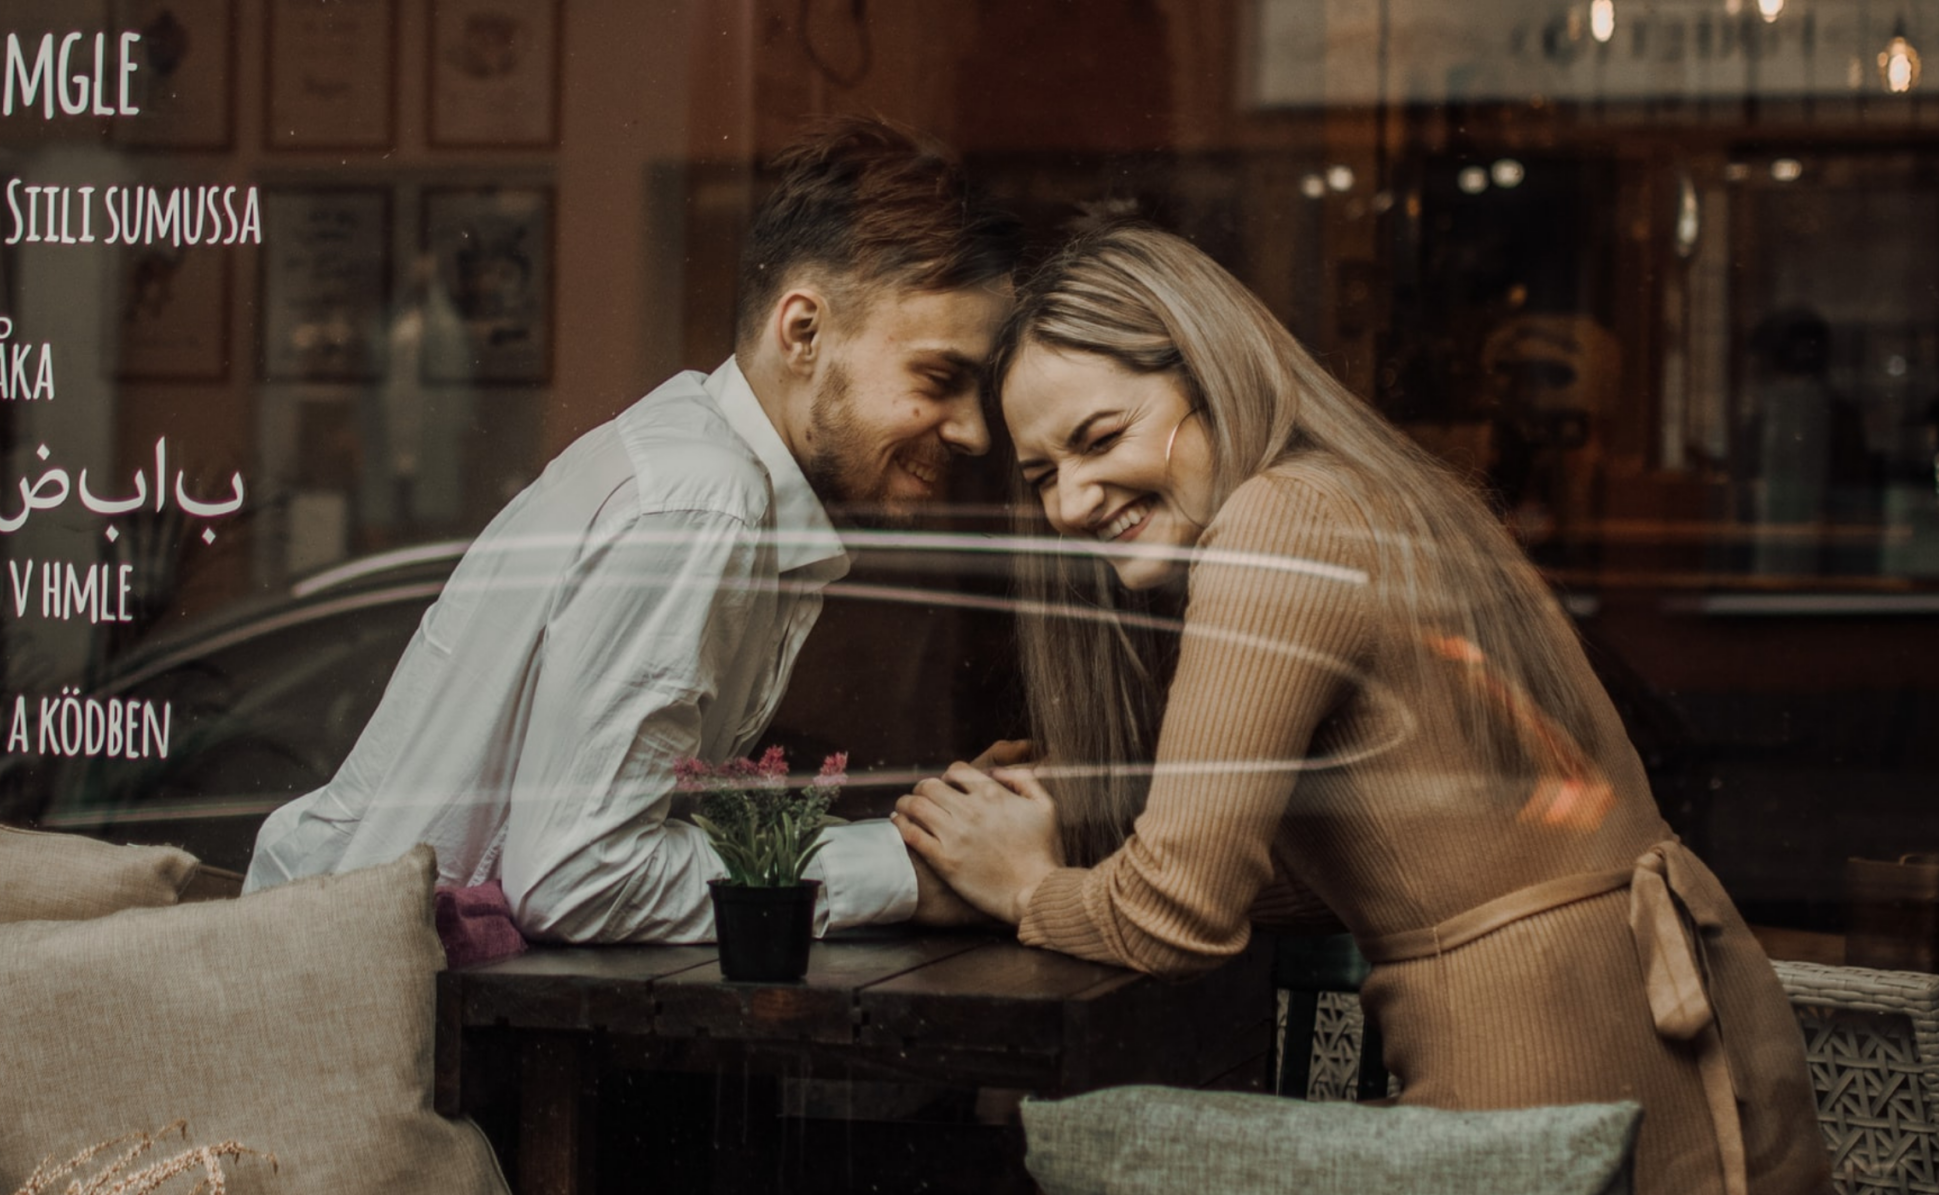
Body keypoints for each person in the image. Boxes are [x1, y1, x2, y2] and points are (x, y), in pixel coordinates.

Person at [893, 225, 1829, 1195]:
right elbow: (1428, 840)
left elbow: (1175, 918)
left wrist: (1026, 887)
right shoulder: (1375, 492)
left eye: (1099, 438)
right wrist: (1115, 845)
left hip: (1530, 1063)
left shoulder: (1275, 522)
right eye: (1041, 476)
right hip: (1634, 1021)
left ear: (1213, 379)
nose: (1073, 501)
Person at [244, 117, 1023, 943]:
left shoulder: (713, 469)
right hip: (351, 1012)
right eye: (941, 377)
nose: (974, 431)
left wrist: (941, 826)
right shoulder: (699, 502)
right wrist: (908, 871)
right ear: (802, 332)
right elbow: (580, 877)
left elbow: (621, 833)